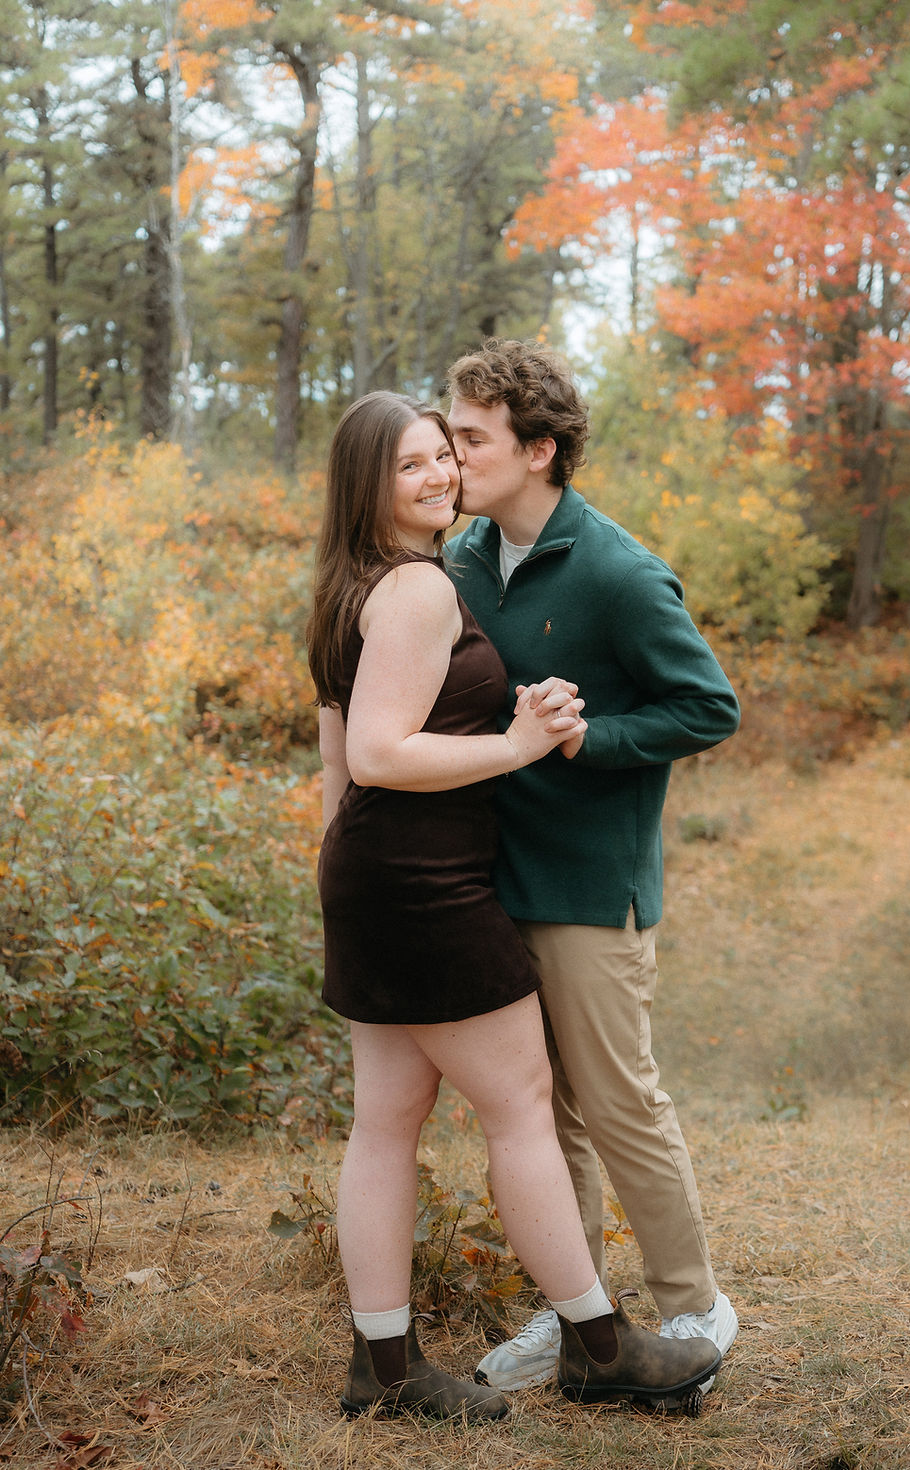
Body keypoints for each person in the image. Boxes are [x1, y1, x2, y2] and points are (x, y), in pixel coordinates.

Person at [308, 390, 721, 1422]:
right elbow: (376, 752)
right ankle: (598, 1343)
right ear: (366, 484)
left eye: (444, 454)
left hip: (371, 873)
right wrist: (519, 743)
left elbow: (337, 752)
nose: (440, 475)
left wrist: (342, 871)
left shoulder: (348, 586)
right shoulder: (419, 585)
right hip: (428, 884)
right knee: (523, 1110)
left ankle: (384, 1368)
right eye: (412, 464)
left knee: (384, 1125)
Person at [442, 340, 742, 1394]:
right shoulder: (461, 561)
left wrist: (591, 739)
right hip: (490, 880)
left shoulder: (617, 571)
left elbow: (707, 706)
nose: (452, 456)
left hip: (588, 889)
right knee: (536, 1112)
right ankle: (577, 1314)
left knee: (616, 1104)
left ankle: (694, 1309)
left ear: (538, 449)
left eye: (470, 438)